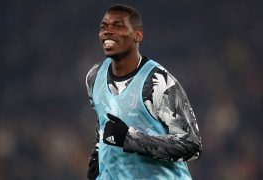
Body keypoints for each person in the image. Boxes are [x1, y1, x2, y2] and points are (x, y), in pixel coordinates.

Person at [85, 4, 202, 180]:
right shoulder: (94, 77)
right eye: (104, 26)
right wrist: (96, 156)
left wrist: (129, 139)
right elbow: (104, 125)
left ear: (137, 35)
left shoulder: (158, 83)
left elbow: (191, 145)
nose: (108, 31)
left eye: (118, 26)